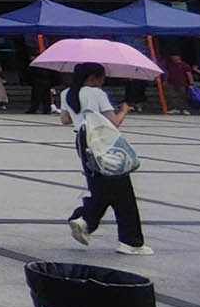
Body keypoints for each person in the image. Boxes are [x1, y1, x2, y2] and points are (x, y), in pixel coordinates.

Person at [60, 63, 150, 255]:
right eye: (102, 78)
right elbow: (114, 122)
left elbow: (65, 120)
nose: (103, 82)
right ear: (92, 78)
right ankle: (130, 242)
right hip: (103, 141)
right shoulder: (97, 94)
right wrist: (124, 109)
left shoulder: (67, 93)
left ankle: (85, 219)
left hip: (83, 142)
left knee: (102, 187)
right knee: (123, 191)